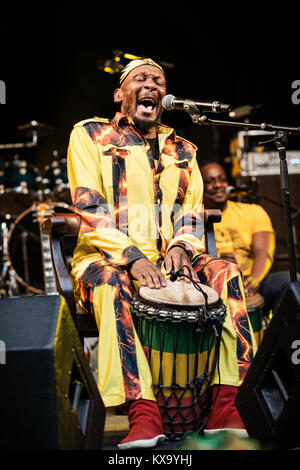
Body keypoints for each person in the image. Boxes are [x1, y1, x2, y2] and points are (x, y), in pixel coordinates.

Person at [67, 58, 256, 450]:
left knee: (226, 272)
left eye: (158, 80)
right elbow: (89, 203)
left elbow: (192, 209)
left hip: (172, 260)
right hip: (106, 261)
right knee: (112, 281)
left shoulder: (183, 148)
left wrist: (183, 246)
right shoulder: (90, 135)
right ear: (120, 95)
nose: (151, 84)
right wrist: (133, 256)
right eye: (140, 79)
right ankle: (143, 413)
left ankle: (227, 405)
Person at [199, 161, 294, 315]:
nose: (217, 185)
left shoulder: (253, 211)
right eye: (209, 181)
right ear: (199, 186)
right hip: (211, 284)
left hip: (249, 280)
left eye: (221, 179)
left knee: (288, 282)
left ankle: (279, 338)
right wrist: (216, 263)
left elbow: (263, 251)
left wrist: (254, 280)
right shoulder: (192, 219)